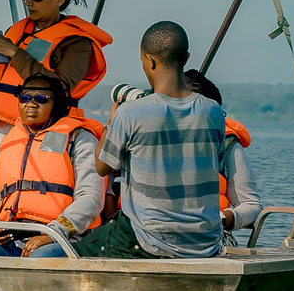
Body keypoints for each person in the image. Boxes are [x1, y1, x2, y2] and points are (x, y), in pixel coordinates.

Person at [73, 21, 226, 260]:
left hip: (148, 241)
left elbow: (102, 167)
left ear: (149, 60)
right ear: (185, 58)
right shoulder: (213, 111)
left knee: (56, 252)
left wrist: (110, 124)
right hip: (205, 242)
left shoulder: (130, 113)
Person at [0, 0, 113, 137]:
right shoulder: (17, 32)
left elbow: (61, 89)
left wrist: (15, 53)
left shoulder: (77, 43)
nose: (29, 2)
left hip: (37, 130)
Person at [0, 75, 105, 258]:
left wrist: (55, 232)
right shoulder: (7, 143)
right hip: (10, 235)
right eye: (25, 98)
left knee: (40, 261)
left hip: (62, 237)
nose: (31, 104)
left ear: (56, 104)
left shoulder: (78, 138)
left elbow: (91, 197)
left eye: (41, 99)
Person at [184, 69, 263, 234]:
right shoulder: (147, 136)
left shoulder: (226, 144)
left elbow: (252, 206)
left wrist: (223, 218)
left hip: (208, 238)